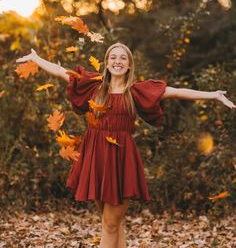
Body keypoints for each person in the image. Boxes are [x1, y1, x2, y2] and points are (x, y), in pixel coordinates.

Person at [16, 42, 235, 248]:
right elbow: (61, 71)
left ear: (129, 64)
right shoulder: (95, 86)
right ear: (107, 62)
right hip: (95, 156)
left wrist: (213, 95)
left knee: (111, 224)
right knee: (112, 223)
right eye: (113, 57)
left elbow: (176, 92)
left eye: (123, 58)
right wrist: (37, 59)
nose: (118, 61)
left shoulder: (136, 91)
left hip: (121, 158)